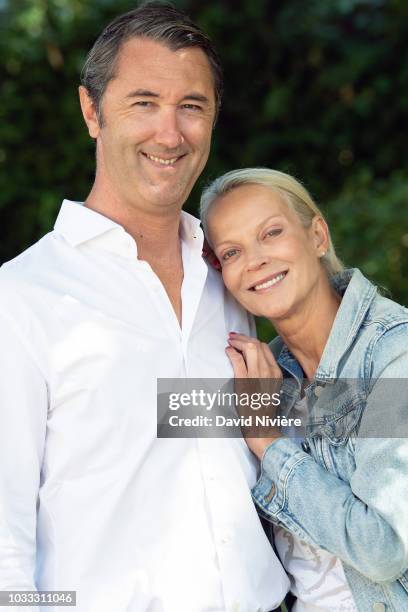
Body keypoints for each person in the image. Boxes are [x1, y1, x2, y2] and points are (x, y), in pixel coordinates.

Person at [0, 5, 290, 612]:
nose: (170, 132)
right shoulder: (22, 298)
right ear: (91, 112)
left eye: (192, 105)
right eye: (144, 103)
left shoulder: (231, 276)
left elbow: (279, 429)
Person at [200, 167, 408, 612]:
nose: (255, 260)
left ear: (317, 235)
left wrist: (267, 441)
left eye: (271, 233)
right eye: (232, 251)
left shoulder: (394, 353)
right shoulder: (265, 378)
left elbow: (382, 549)